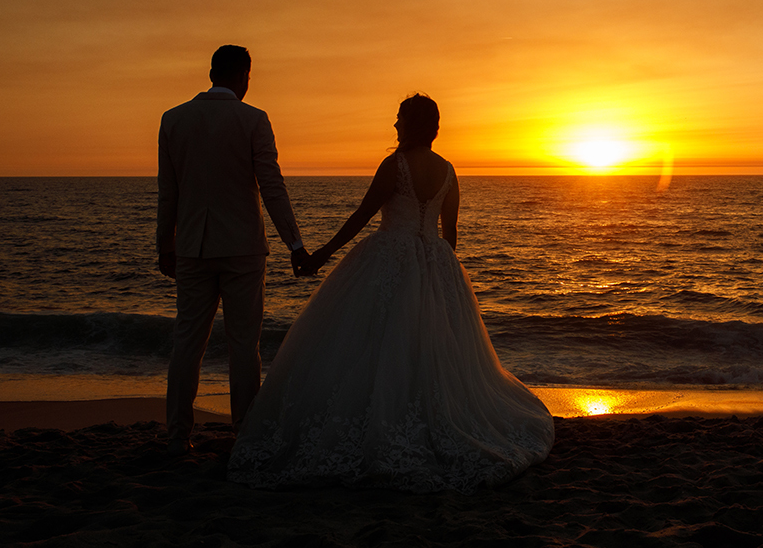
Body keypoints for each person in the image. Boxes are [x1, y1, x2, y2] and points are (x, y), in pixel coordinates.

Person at [227, 94, 554, 492]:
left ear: (412, 125)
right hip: (436, 262)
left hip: (388, 256)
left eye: (399, 120)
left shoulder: (395, 165)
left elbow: (361, 217)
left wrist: (319, 257)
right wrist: (435, 268)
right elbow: (450, 234)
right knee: (427, 351)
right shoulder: (449, 171)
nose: (394, 126)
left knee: (372, 345)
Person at [157, 45, 308, 457]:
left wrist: (164, 245)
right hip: (242, 247)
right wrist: (293, 242)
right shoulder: (253, 120)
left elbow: (167, 193)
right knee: (244, 344)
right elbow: (272, 187)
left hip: (192, 247)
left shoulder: (173, 120)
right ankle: (244, 431)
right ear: (244, 76)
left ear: (210, 72)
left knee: (187, 341)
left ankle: (176, 435)